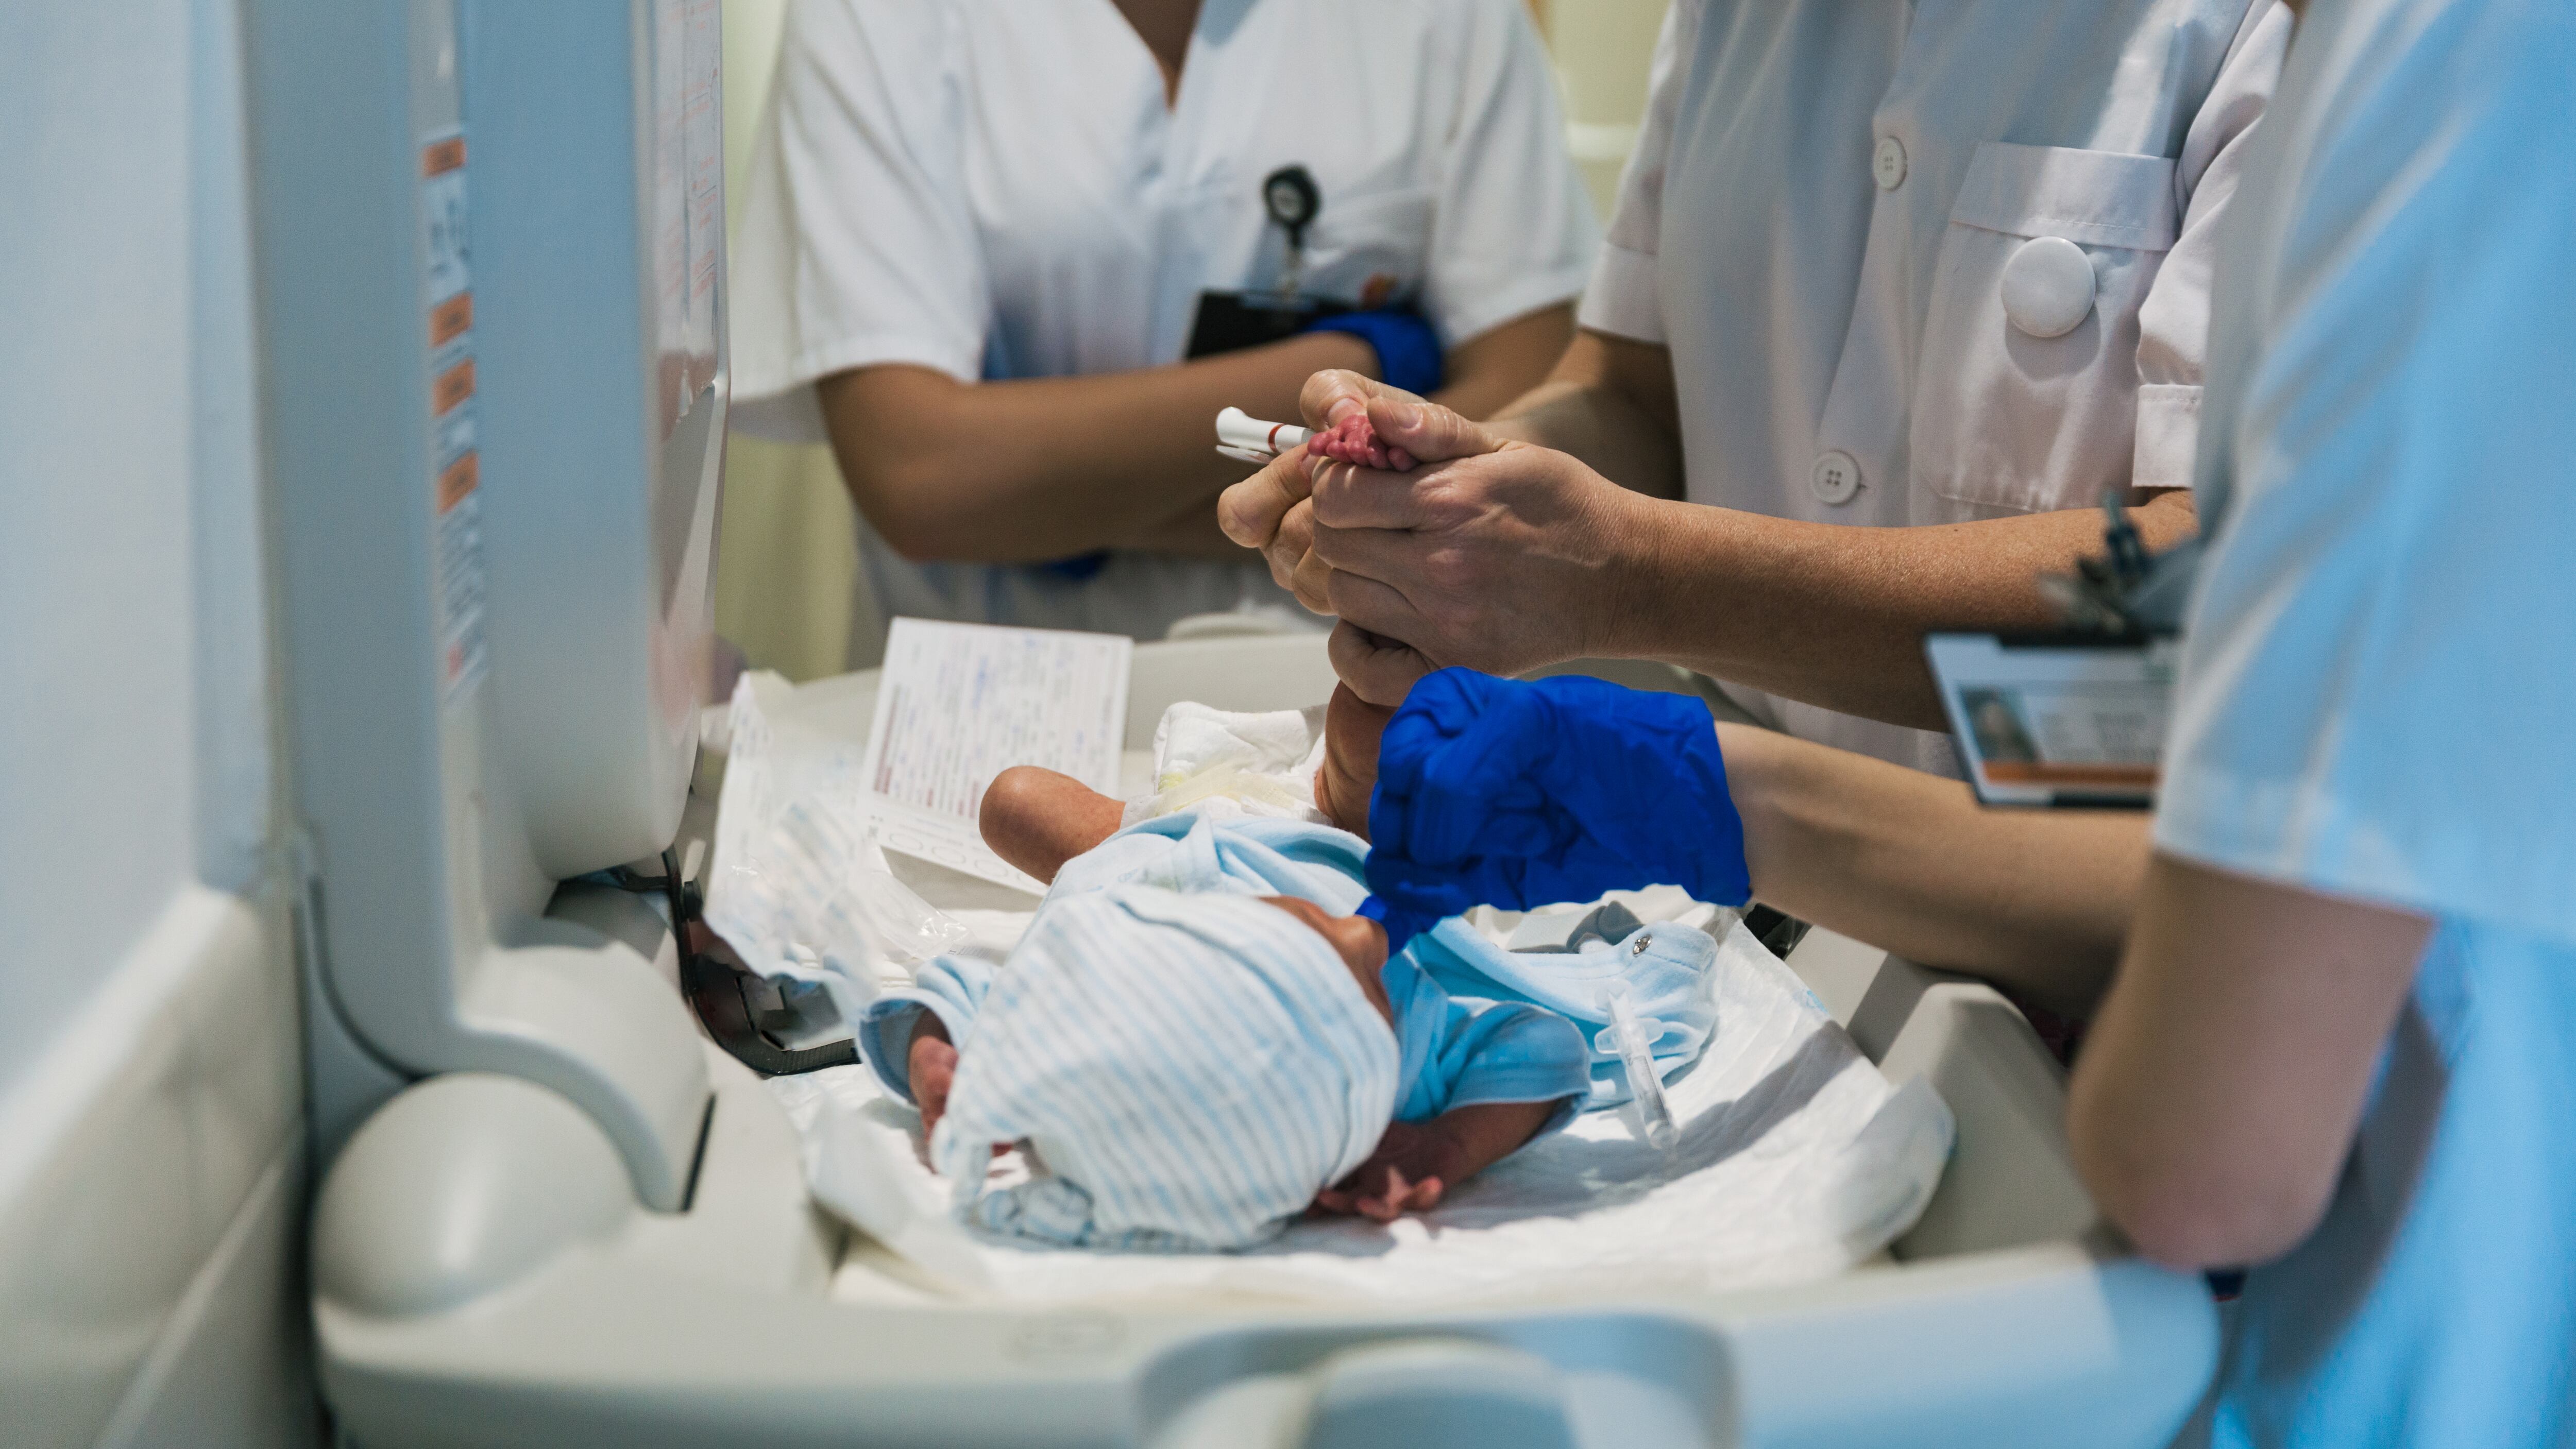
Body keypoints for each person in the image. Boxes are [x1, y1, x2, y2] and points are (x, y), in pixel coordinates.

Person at [1348, 0, 2576, 1437]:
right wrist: (1702, 762)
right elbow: (2205, 679)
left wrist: (1658, 627)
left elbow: (2203, 1126)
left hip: (2383, 1235)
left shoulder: (2437, 84)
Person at [1221, 0, 2292, 773]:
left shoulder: (2267, 30)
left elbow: (2208, 597)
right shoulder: (1735, 18)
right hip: (1753, 859)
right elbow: (1638, 393)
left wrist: (1633, 577)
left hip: (2064, 901)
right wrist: (1446, 490)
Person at [728, 0, 1596, 641]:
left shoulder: (1455, 22)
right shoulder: (874, 19)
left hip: (1346, 702)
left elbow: (1534, 422)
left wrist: (1044, 500)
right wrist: (1368, 354)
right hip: (983, 713)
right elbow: (921, 478)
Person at [859, 761, 1722, 1237]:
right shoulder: (1401, 1070)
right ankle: (1335, 779)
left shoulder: (1092, 980)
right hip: (1316, 828)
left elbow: (970, 985)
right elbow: (1544, 1046)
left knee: (1013, 800)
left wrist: (937, 1053)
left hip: (1143, 849)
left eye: (1310, 929)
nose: (1367, 937)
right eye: (1368, 984)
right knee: (1392, 732)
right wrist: (1446, 1145)